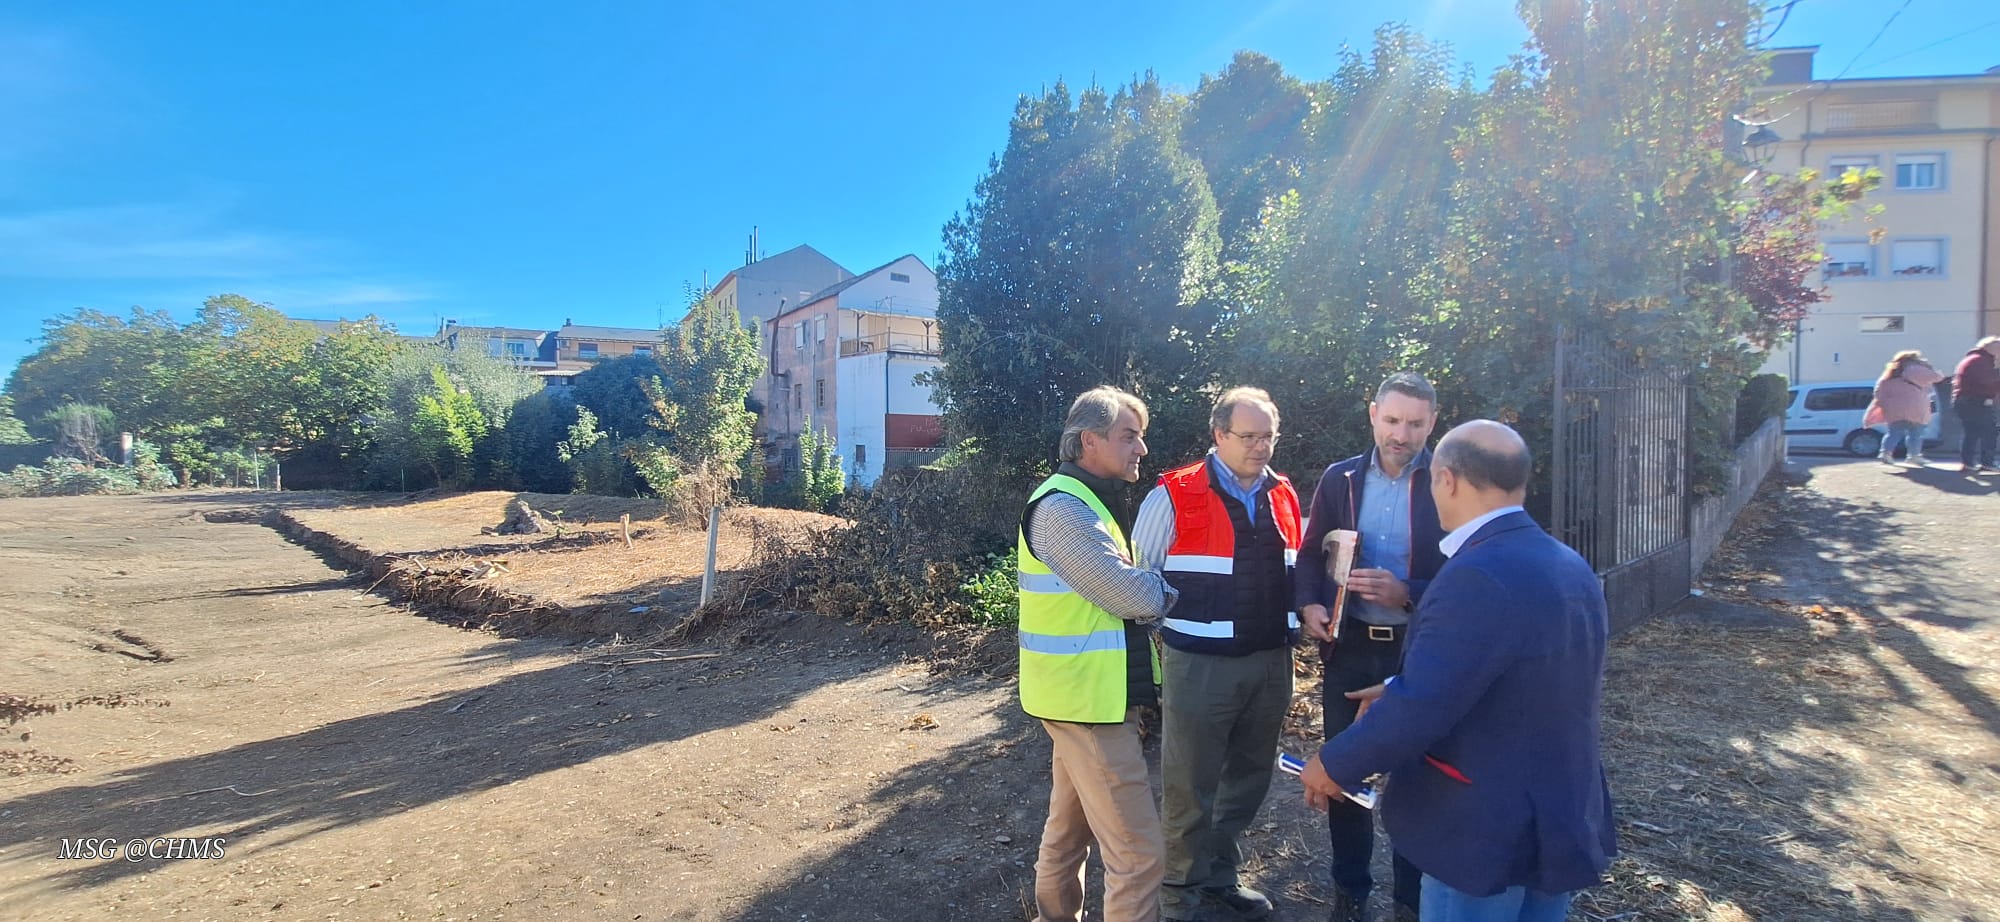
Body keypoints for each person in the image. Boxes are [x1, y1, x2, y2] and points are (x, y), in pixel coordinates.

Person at [1299, 420, 1617, 922]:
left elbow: (1423, 707)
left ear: (1444, 479)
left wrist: (1336, 763)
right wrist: (1399, 686)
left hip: (1483, 829)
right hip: (1558, 815)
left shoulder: (1474, 574)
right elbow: (1523, 677)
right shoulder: (1568, 563)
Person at [1131, 387, 1302, 922]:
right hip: (1200, 668)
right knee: (1189, 784)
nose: (1260, 447)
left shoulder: (1284, 494)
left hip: (1271, 663)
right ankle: (1179, 898)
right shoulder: (1173, 494)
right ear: (1219, 435)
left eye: (1267, 437)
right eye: (1248, 437)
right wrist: (1176, 639)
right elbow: (1141, 579)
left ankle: (1220, 880)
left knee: (1248, 781)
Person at [1020, 386, 1179, 922]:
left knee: (1068, 832)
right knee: (1139, 856)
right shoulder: (1063, 508)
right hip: (1088, 705)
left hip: (1081, 698)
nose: (1141, 448)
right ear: (1089, 440)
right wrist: (1169, 588)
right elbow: (1128, 594)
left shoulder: (1087, 502)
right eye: (1129, 436)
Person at [1294, 372, 1447, 922]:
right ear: (1373, 414)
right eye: (1392, 420)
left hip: (1420, 651)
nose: (1401, 434)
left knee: (1418, 777)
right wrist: (1308, 605)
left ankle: (1410, 901)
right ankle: (1349, 894)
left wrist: (1411, 594)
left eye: (1414, 423)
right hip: (1351, 648)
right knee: (1344, 771)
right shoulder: (1341, 480)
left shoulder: (1448, 481)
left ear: (1432, 422)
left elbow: (1470, 574)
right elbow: (1311, 556)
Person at [1863, 351, 1945, 466]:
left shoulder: (1889, 374)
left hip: (1893, 410)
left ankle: (1886, 453)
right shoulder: (1914, 369)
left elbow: (1878, 393)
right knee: (1915, 433)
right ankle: (1914, 455)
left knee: (1894, 433)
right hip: (1915, 407)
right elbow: (1937, 377)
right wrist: (1928, 366)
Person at [1951, 336, 2000, 473]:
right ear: (1990, 348)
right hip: (1976, 401)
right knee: (1989, 431)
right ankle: (1987, 463)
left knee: (1972, 432)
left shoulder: (1974, 359)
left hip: (1967, 401)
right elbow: (1986, 381)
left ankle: (1968, 463)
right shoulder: (1980, 361)